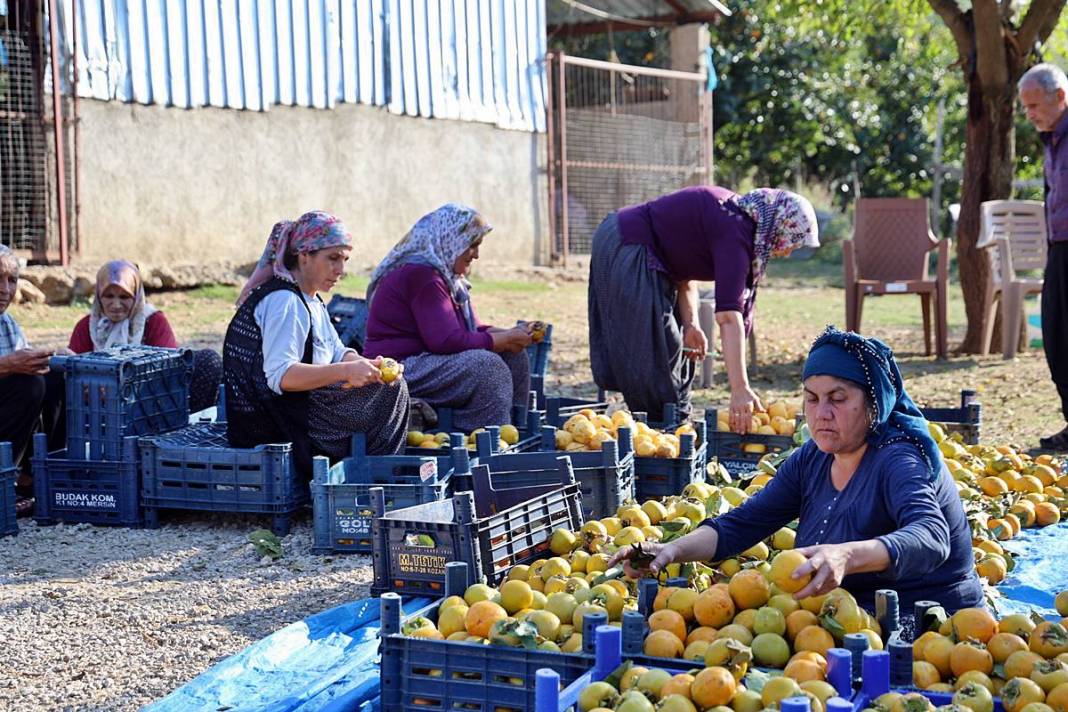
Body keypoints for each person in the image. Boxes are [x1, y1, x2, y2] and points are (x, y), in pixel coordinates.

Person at [609, 327, 984, 621]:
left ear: (874, 405)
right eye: (812, 398)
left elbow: (932, 537)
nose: (821, 413)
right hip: (842, 616)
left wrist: (847, 555)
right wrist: (673, 548)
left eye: (837, 399)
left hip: (929, 625)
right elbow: (744, 522)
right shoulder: (814, 458)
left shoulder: (899, 459)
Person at [588, 185, 819, 428]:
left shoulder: (736, 221)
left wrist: (691, 325)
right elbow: (729, 317)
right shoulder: (735, 231)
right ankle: (659, 430)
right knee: (653, 348)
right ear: (777, 226)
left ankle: (676, 424)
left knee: (679, 347)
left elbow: (684, 272)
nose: (791, 249)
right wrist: (740, 389)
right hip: (627, 240)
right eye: (793, 240)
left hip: (642, 248)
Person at [225, 211, 408, 477]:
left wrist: (368, 366)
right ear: (304, 256)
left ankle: (373, 477)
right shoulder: (284, 302)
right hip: (276, 420)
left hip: (303, 406)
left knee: (388, 385)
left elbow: (335, 351)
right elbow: (282, 376)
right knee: (390, 395)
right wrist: (345, 372)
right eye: (332, 259)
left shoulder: (311, 299)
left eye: (344, 260)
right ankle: (376, 483)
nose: (340, 270)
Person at [363, 204, 534, 432]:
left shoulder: (449, 279)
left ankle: (515, 431)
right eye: (472, 245)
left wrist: (513, 336)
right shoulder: (422, 275)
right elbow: (445, 341)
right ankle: (482, 441)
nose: (477, 254)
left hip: (428, 361)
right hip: (400, 368)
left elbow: (474, 330)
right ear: (451, 240)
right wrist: (502, 339)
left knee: (514, 356)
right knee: (487, 367)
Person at [68, 260, 223, 413]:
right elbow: (73, 372)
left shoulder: (153, 321)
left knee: (208, 360)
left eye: (124, 297)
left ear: (136, 296)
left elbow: (168, 368)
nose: (116, 305)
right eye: (108, 296)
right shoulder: (88, 326)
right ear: (98, 295)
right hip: (97, 407)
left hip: (150, 402)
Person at [1019, 63, 1068, 451]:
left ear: (1061, 97)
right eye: (1026, 107)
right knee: (1054, 335)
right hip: (1059, 248)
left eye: (1035, 105)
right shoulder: (1051, 139)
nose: (1030, 113)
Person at [0, 245, 64, 515]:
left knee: (56, 376)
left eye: (11, 280)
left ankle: (31, 479)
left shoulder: (8, 324)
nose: (5, 289)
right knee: (28, 383)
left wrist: (58, 358)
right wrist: (8, 365)